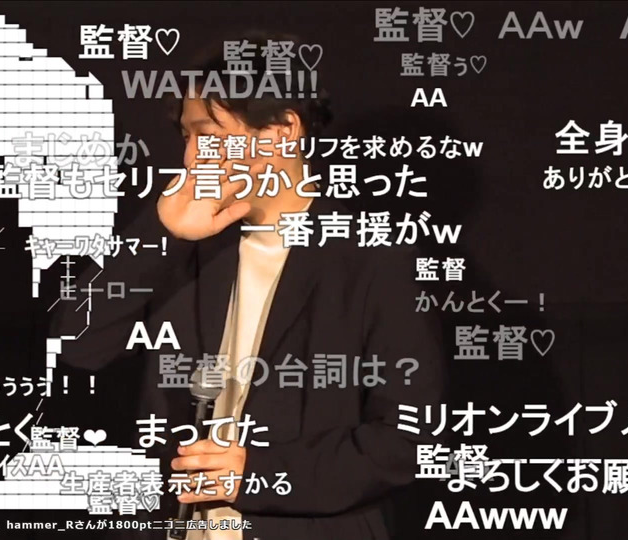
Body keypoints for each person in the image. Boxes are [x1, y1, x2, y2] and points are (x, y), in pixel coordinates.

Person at [51, 33, 445, 540]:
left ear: (282, 130)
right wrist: (159, 234)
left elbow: (407, 441)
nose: (191, 157)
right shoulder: (181, 246)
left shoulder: (373, 260)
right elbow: (77, 345)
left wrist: (260, 475)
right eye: (186, 137)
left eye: (209, 134)